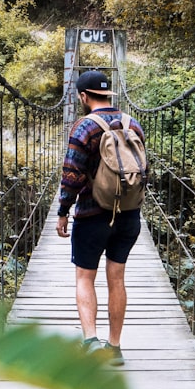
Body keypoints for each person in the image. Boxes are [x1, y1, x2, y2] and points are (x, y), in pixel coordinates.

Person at [56, 69, 145, 366]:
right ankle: (115, 347)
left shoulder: (84, 127)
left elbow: (71, 175)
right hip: (129, 216)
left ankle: (92, 341)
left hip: (93, 215)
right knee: (117, 277)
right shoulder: (134, 124)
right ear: (108, 94)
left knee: (85, 276)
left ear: (83, 96)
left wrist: (63, 211)